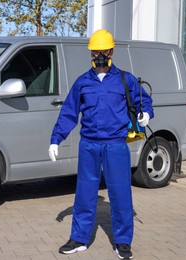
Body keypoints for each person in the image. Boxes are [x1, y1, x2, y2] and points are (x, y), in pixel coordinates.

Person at [48, 29, 154, 259]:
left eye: (103, 51)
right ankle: (79, 238)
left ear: (111, 51)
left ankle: (123, 241)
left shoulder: (125, 79)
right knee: (85, 193)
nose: (99, 55)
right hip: (89, 145)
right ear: (91, 53)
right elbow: (68, 113)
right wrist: (56, 139)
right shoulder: (82, 82)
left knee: (120, 193)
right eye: (95, 51)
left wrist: (147, 115)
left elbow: (144, 100)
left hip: (116, 145)